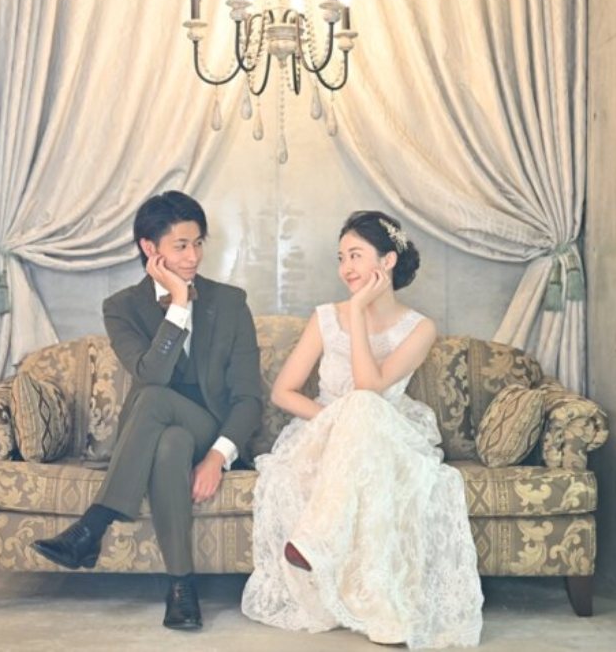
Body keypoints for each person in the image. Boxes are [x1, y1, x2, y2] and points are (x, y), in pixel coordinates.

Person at [241, 210, 483, 647]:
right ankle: (367, 597)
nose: (346, 268)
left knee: (364, 405)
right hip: (324, 434)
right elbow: (283, 392)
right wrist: (335, 421)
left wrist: (355, 312)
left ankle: (318, 543)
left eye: (355, 255)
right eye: (341, 258)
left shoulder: (420, 328)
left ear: (387, 261)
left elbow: (370, 386)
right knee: (355, 410)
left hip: (387, 437)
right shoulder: (324, 317)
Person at [32, 191, 263, 630]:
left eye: (198, 243)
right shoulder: (121, 308)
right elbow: (152, 373)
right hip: (157, 433)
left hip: (211, 428)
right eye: (181, 246)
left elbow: (249, 396)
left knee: (156, 402)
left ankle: (93, 526)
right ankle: (182, 590)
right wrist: (178, 304)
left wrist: (217, 457)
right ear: (149, 248)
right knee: (169, 440)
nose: (193, 256)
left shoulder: (230, 302)